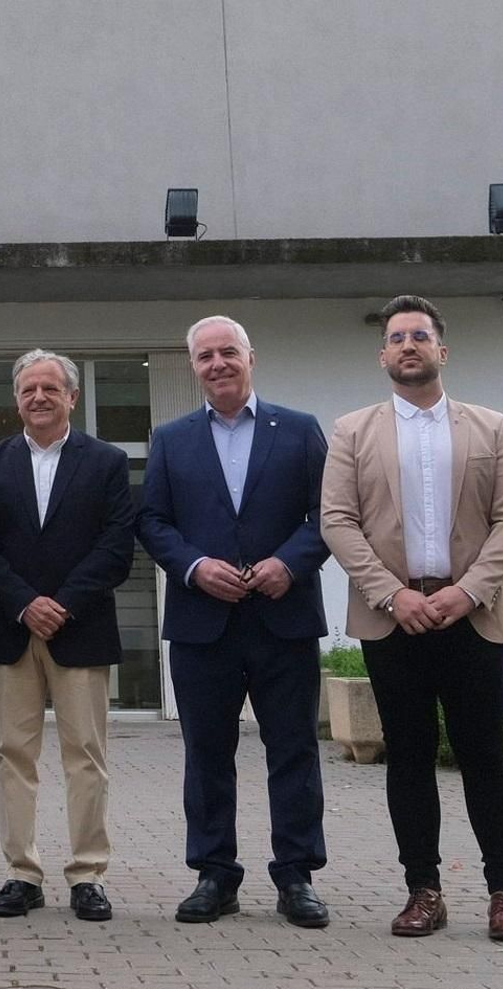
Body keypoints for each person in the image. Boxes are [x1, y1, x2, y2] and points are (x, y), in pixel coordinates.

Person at [321, 294, 503, 942]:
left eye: (420, 335)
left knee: (484, 756)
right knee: (408, 758)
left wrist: (467, 591)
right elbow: (337, 520)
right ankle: (424, 890)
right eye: (397, 337)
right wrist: (394, 594)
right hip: (396, 620)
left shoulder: (490, 426)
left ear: (442, 350)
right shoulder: (352, 431)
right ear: (383, 355)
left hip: (471, 617)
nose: (408, 345)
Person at [136, 316, 332, 928]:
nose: (217, 363)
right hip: (203, 622)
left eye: (228, 352)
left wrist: (289, 564)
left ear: (251, 357)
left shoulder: (300, 431)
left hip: (284, 615)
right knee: (206, 753)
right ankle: (214, 875)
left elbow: (329, 513)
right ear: (193, 365)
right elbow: (153, 522)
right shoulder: (170, 439)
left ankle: (296, 876)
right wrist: (193, 567)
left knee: (293, 750)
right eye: (204, 355)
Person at [0, 349, 134, 921]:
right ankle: (22, 873)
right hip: (10, 629)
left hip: (80, 628)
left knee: (86, 755)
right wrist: (24, 603)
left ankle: (87, 874)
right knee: (13, 754)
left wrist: (61, 603)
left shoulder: (108, 462)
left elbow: (117, 547)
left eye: (49, 388)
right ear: (15, 400)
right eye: (27, 390)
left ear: (71, 396)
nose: (38, 398)